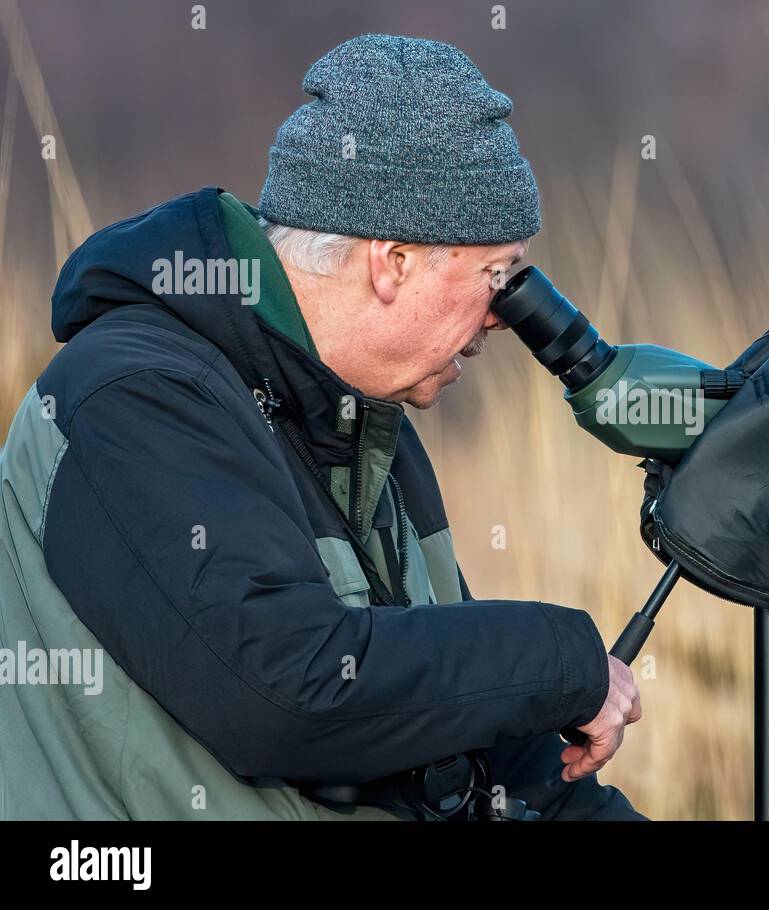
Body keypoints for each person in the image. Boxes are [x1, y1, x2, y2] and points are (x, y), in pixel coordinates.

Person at [0, 34, 645, 820]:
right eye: (497, 277)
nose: (505, 318)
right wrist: (558, 663)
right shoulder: (133, 399)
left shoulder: (365, 421)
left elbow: (459, 735)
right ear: (393, 261)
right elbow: (286, 694)